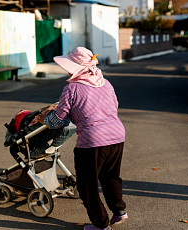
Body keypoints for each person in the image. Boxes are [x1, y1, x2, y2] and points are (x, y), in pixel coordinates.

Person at [39, 47, 128, 230]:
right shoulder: (106, 83)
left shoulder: (71, 89)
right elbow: (114, 107)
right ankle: (119, 211)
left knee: (87, 185)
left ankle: (101, 225)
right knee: (110, 176)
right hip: (117, 135)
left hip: (92, 141)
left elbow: (57, 120)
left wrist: (43, 119)